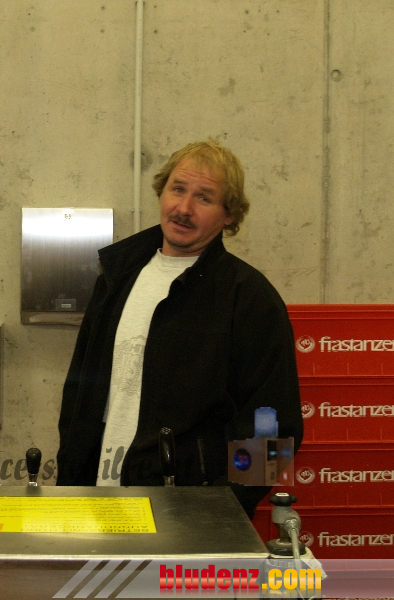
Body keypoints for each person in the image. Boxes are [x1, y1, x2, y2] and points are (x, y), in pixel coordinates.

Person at [55, 140, 303, 516]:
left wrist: (226, 506)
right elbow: (79, 394)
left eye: (204, 198)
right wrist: (70, 479)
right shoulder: (116, 278)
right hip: (95, 502)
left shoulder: (249, 298)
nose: (184, 208)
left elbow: (274, 430)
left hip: (190, 513)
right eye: (178, 189)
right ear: (161, 192)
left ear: (230, 215)